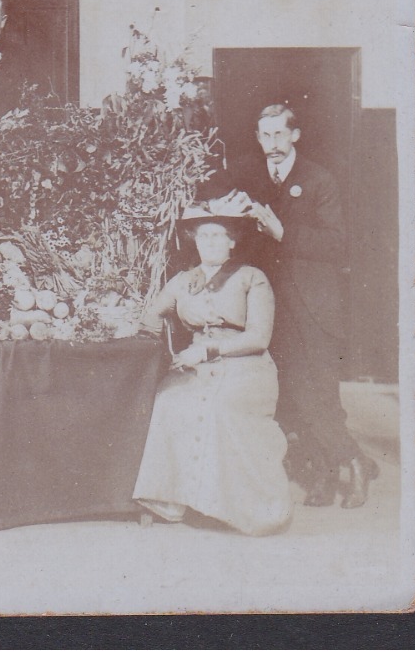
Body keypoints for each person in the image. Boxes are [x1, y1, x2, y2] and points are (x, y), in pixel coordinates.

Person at [221, 104, 374, 508]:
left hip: (313, 307)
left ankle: (355, 464)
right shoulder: (251, 176)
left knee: (320, 394)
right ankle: (324, 474)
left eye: (278, 135)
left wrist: (281, 230)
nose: (270, 144)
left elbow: (335, 245)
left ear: (295, 135)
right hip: (273, 306)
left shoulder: (319, 179)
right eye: (263, 135)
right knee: (290, 394)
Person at [133, 207, 293, 536]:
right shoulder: (182, 281)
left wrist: (207, 350)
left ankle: (236, 508)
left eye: (217, 235)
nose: (208, 242)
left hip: (245, 365)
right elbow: (151, 317)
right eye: (202, 235)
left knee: (221, 407)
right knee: (169, 400)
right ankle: (174, 499)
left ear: (232, 241)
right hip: (196, 363)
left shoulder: (252, 278)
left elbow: (259, 338)